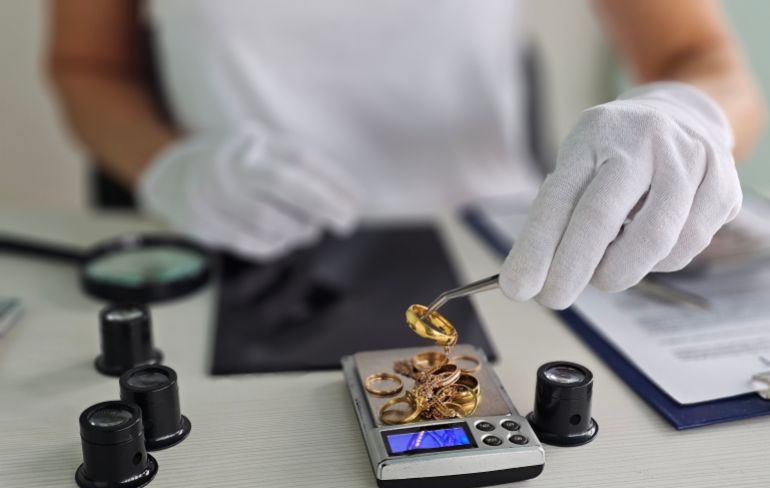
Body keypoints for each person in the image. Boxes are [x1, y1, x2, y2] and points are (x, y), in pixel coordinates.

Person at [48, 0, 766, 309]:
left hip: (506, 253)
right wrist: (170, 167)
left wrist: (689, 118)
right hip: (236, 250)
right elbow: (87, 67)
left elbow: (700, 57)